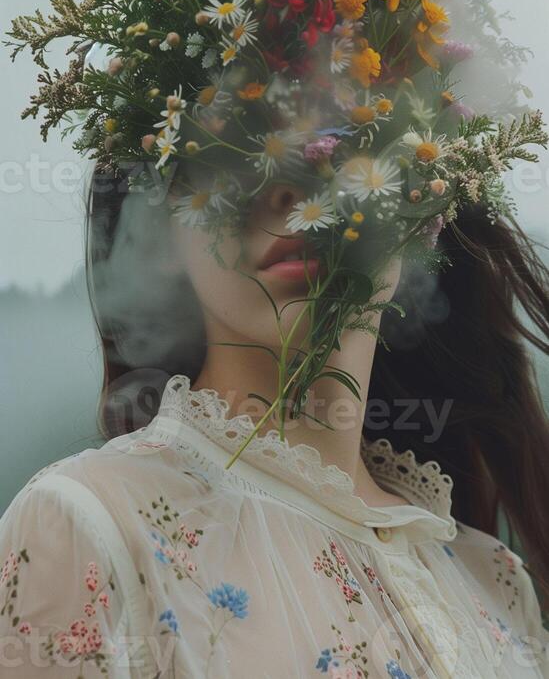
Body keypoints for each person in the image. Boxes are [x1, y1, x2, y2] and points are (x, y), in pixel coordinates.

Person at [0, 160, 548, 679]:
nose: (292, 188)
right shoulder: (88, 524)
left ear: (419, 206)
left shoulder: (495, 582)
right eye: (239, 135)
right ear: (163, 224)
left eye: (346, 133)